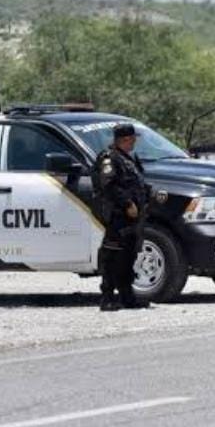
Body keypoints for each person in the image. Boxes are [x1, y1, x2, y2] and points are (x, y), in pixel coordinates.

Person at [94, 123, 151, 311]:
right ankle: (107, 297)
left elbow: (137, 183)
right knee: (112, 256)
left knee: (128, 256)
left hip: (133, 218)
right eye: (132, 139)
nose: (134, 142)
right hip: (118, 215)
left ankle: (127, 296)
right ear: (124, 139)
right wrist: (127, 204)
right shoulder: (110, 159)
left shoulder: (129, 158)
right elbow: (108, 186)